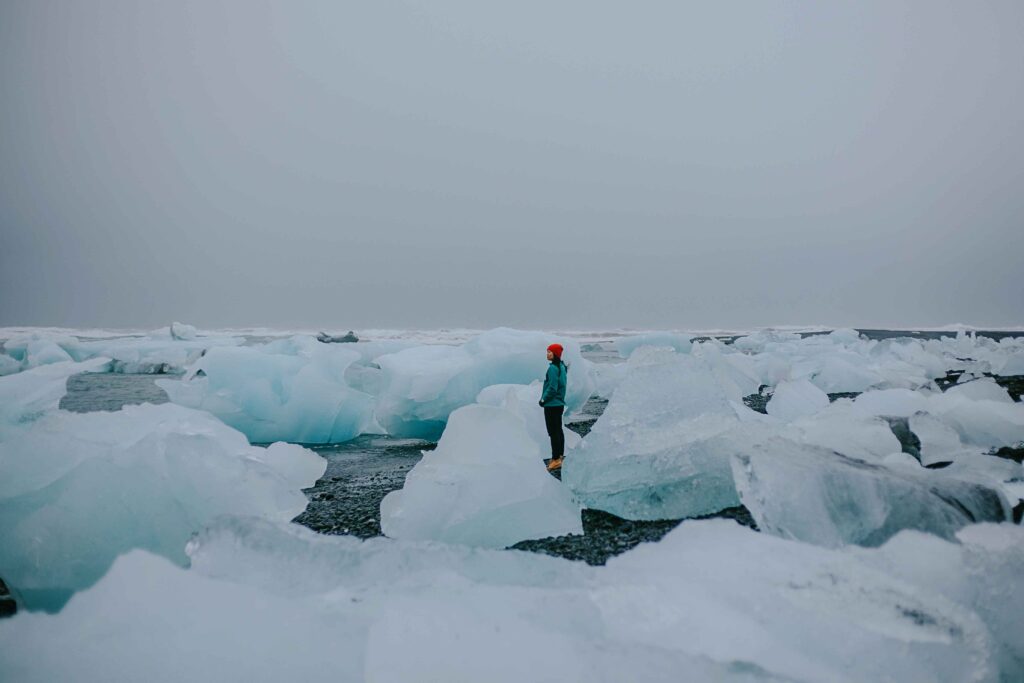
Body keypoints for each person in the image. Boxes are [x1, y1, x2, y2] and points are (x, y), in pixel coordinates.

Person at [539, 343, 568, 472]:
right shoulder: (561, 367)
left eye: (550, 352)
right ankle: (559, 456)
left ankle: (555, 460)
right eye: (547, 351)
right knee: (558, 430)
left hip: (551, 404)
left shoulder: (552, 369)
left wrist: (543, 399)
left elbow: (552, 387)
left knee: (553, 432)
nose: (547, 354)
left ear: (555, 354)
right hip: (559, 403)